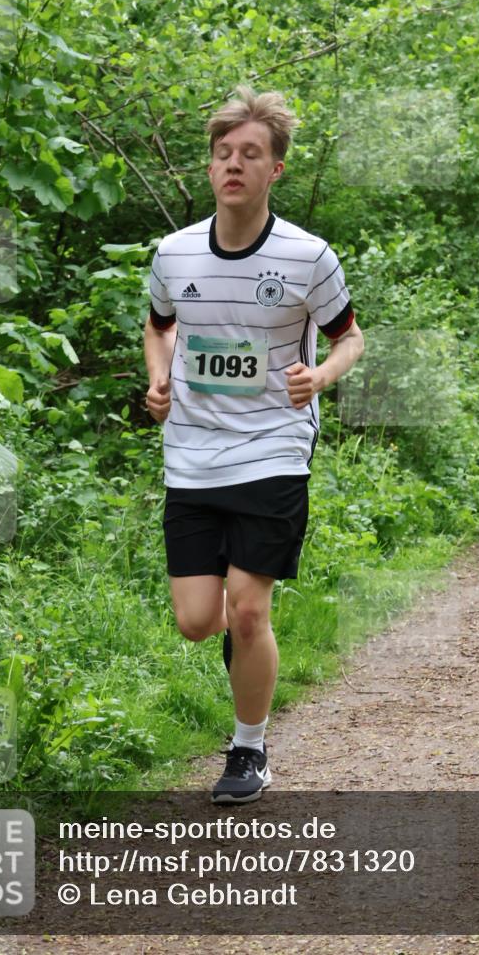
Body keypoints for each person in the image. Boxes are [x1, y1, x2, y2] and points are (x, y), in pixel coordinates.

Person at [144, 86, 364, 804]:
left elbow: (349, 337)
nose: (232, 165)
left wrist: (320, 377)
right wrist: (158, 379)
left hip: (272, 446)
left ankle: (248, 748)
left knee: (246, 609)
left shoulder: (307, 257)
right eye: (222, 155)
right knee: (196, 621)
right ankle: (247, 664)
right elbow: (160, 324)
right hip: (191, 455)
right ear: (209, 168)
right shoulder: (173, 254)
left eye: (249, 155)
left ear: (275, 170)